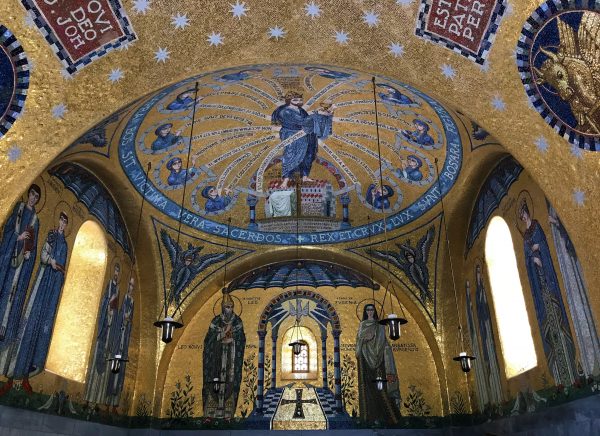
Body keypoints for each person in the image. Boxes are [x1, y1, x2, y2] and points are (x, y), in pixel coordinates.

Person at [8, 212, 69, 394]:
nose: (62, 223)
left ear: (66, 225)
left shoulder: (65, 245)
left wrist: (58, 271)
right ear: (58, 220)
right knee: (29, 325)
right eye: (61, 220)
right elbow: (43, 255)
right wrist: (50, 260)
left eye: (65, 222)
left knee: (40, 331)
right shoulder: (51, 235)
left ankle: (26, 377)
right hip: (42, 283)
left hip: (52, 291)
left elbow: (63, 268)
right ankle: (11, 375)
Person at [519, 198, 577, 385]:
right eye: (521, 216)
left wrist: (539, 252)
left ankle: (571, 369)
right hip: (538, 283)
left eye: (524, 214)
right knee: (547, 326)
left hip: (547, 277)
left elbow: (543, 244)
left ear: (528, 212)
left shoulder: (536, 226)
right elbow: (526, 257)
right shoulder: (525, 236)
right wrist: (532, 257)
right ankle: (558, 376)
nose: (523, 217)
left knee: (557, 315)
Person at [0, 184, 40, 378]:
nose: (33, 198)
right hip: (9, 264)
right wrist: (17, 236)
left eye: (36, 197)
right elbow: (8, 230)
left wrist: (29, 254)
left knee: (14, 303)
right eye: (32, 194)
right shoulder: (19, 209)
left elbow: (34, 245)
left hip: (21, 267)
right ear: (28, 194)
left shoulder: (35, 220)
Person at [271, 91, 334, 189]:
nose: (298, 101)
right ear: (289, 100)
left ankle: (305, 177)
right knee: (291, 156)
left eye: (300, 99)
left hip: (307, 136)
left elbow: (308, 121)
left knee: (308, 155)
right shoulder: (285, 111)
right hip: (293, 135)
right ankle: (286, 180)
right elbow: (303, 121)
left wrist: (323, 114)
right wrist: (317, 114)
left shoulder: (301, 110)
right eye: (295, 100)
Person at [355, 304, 401, 425]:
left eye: (372, 309)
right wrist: (365, 339)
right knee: (368, 387)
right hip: (365, 358)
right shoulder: (362, 325)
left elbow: (382, 341)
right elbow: (359, 340)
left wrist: (374, 339)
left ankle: (387, 417)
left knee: (380, 387)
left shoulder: (380, 325)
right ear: (365, 312)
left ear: (374, 311)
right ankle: (369, 417)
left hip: (379, 359)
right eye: (367, 310)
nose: (370, 311)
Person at [202, 292, 246, 418]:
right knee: (214, 380)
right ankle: (210, 414)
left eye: (231, 307)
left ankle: (228, 413)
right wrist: (221, 335)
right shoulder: (216, 321)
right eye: (227, 307)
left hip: (231, 359)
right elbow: (209, 340)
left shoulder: (237, 321)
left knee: (230, 381)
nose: (229, 309)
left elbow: (242, 339)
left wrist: (232, 340)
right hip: (217, 358)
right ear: (222, 307)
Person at [85, 262, 121, 406]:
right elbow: (105, 301)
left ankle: (98, 400)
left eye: (118, 271)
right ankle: (89, 398)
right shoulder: (110, 285)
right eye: (115, 270)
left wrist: (114, 312)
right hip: (103, 331)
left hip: (109, 334)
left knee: (106, 364)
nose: (116, 274)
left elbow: (116, 309)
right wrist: (109, 304)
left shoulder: (118, 289)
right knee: (96, 363)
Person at [474, 264, 503, 405]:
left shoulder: (485, 290)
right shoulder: (477, 294)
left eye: (480, 272)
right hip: (484, 328)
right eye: (477, 273)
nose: (479, 275)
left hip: (489, 324)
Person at [105, 276, 135, 414]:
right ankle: (107, 403)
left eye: (133, 286)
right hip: (118, 344)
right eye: (129, 284)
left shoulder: (132, 301)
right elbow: (118, 314)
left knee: (120, 374)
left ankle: (115, 404)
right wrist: (123, 317)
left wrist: (128, 320)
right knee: (113, 372)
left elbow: (129, 319)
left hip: (123, 344)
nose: (131, 288)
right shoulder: (123, 298)